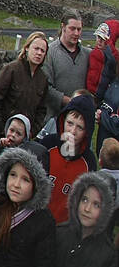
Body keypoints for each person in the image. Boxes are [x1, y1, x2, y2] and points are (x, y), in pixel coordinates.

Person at [42, 93, 97, 223]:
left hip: (64, 228)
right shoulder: (47, 145)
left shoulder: (89, 163)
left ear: (87, 132)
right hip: (34, 220)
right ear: (62, 120)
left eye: (80, 127)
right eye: (70, 123)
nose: (72, 131)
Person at [0, 30, 50, 137]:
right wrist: (2, 128)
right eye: (36, 48)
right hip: (2, 134)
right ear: (27, 48)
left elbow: (42, 110)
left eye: (43, 51)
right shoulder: (11, 70)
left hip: (24, 138)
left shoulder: (43, 79)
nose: (39, 53)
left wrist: (32, 132)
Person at [0, 114, 50, 193]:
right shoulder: (0, 145)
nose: (13, 135)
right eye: (11, 130)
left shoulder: (21, 154)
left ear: (24, 137)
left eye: (18, 134)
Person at [43, 10, 90, 122]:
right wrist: (70, 102)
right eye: (72, 28)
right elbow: (46, 87)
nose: (76, 33)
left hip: (80, 120)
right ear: (63, 27)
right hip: (54, 119)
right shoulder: (49, 52)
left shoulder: (88, 54)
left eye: (79, 29)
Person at [85, 19, 119, 95]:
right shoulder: (94, 52)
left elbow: (113, 59)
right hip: (89, 92)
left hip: (103, 96)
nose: (99, 41)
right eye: (98, 37)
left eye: (103, 38)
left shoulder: (113, 56)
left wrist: (109, 46)